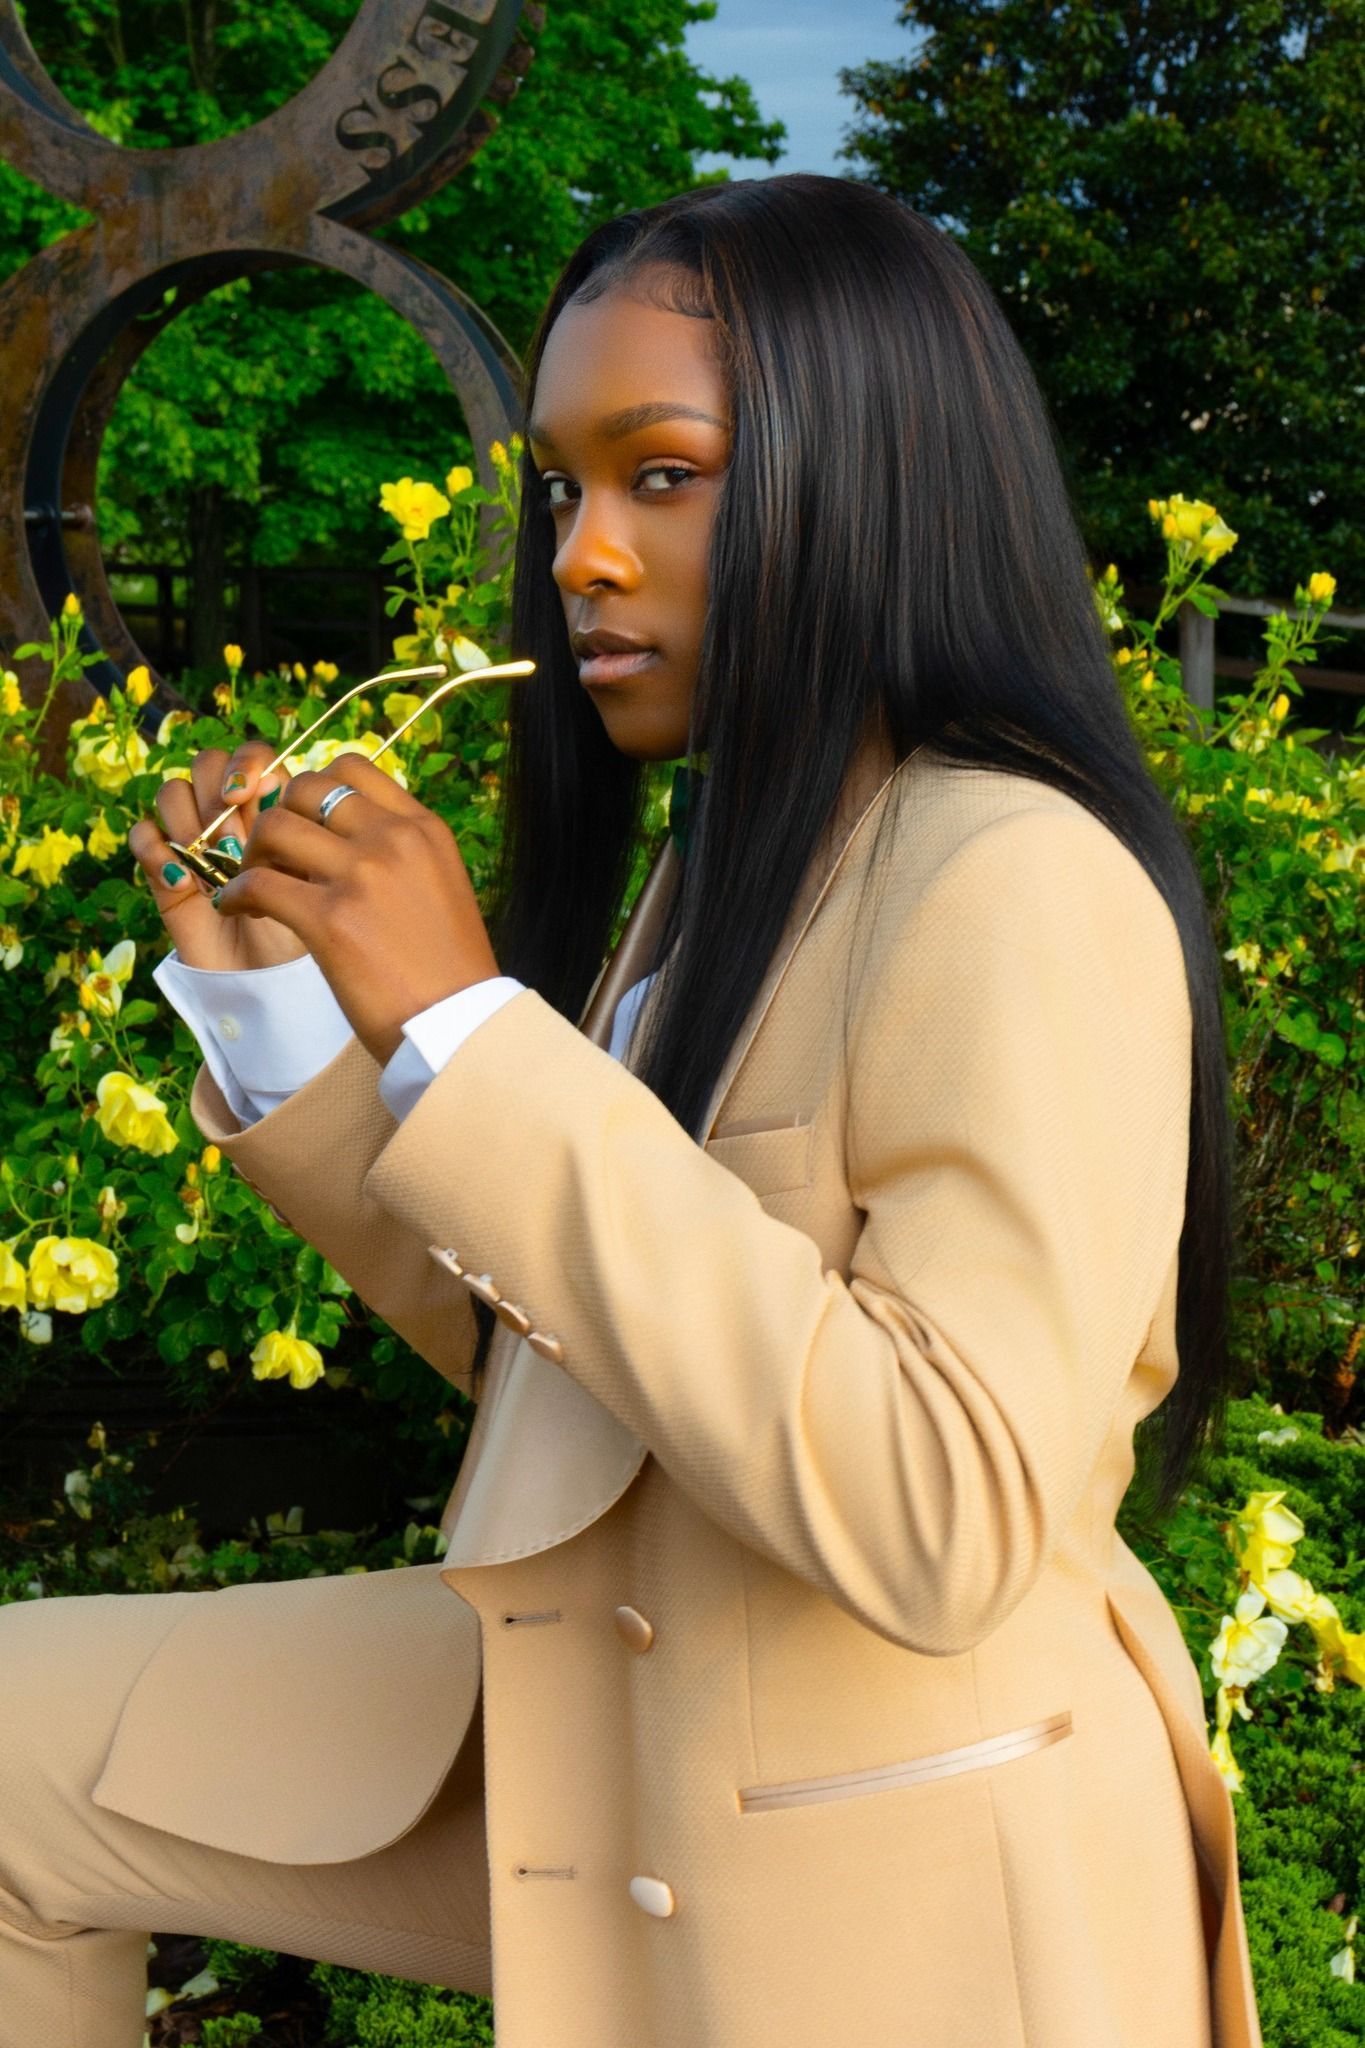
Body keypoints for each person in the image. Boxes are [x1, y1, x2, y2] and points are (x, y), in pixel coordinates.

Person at [0, 173, 1263, 2047]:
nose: (581, 557)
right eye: (559, 491)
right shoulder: (727, 863)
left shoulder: (1012, 871)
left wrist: (469, 1027)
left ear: (872, 475)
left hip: (883, 1861)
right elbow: (583, 1368)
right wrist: (280, 1014)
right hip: (615, 1698)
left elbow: (944, 1519)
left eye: (661, 475)